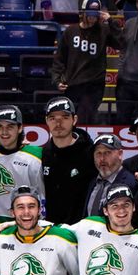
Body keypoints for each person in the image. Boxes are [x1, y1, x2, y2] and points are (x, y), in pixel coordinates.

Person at [50, 0, 121, 123]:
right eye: (90, 14)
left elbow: (121, 43)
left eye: (95, 14)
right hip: (73, 83)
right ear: (83, 13)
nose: (92, 18)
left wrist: (111, 21)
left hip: (94, 85)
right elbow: (60, 58)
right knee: (70, 119)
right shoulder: (70, 31)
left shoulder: (103, 31)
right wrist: (57, 79)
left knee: (84, 118)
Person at [0, 105, 45, 223]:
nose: (4, 132)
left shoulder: (34, 158)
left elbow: (41, 195)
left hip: (20, 223)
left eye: (10, 126)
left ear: (20, 128)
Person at [40, 96, 96, 226]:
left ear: (74, 120)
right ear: (46, 121)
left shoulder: (90, 153)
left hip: (80, 229)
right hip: (50, 229)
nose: (58, 123)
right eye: (53, 118)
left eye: (64, 118)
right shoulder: (43, 154)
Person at [82, 133, 137, 218]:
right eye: (98, 153)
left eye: (107, 153)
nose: (102, 159)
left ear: (120, 154)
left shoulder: (132, 184)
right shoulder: (91, 182)